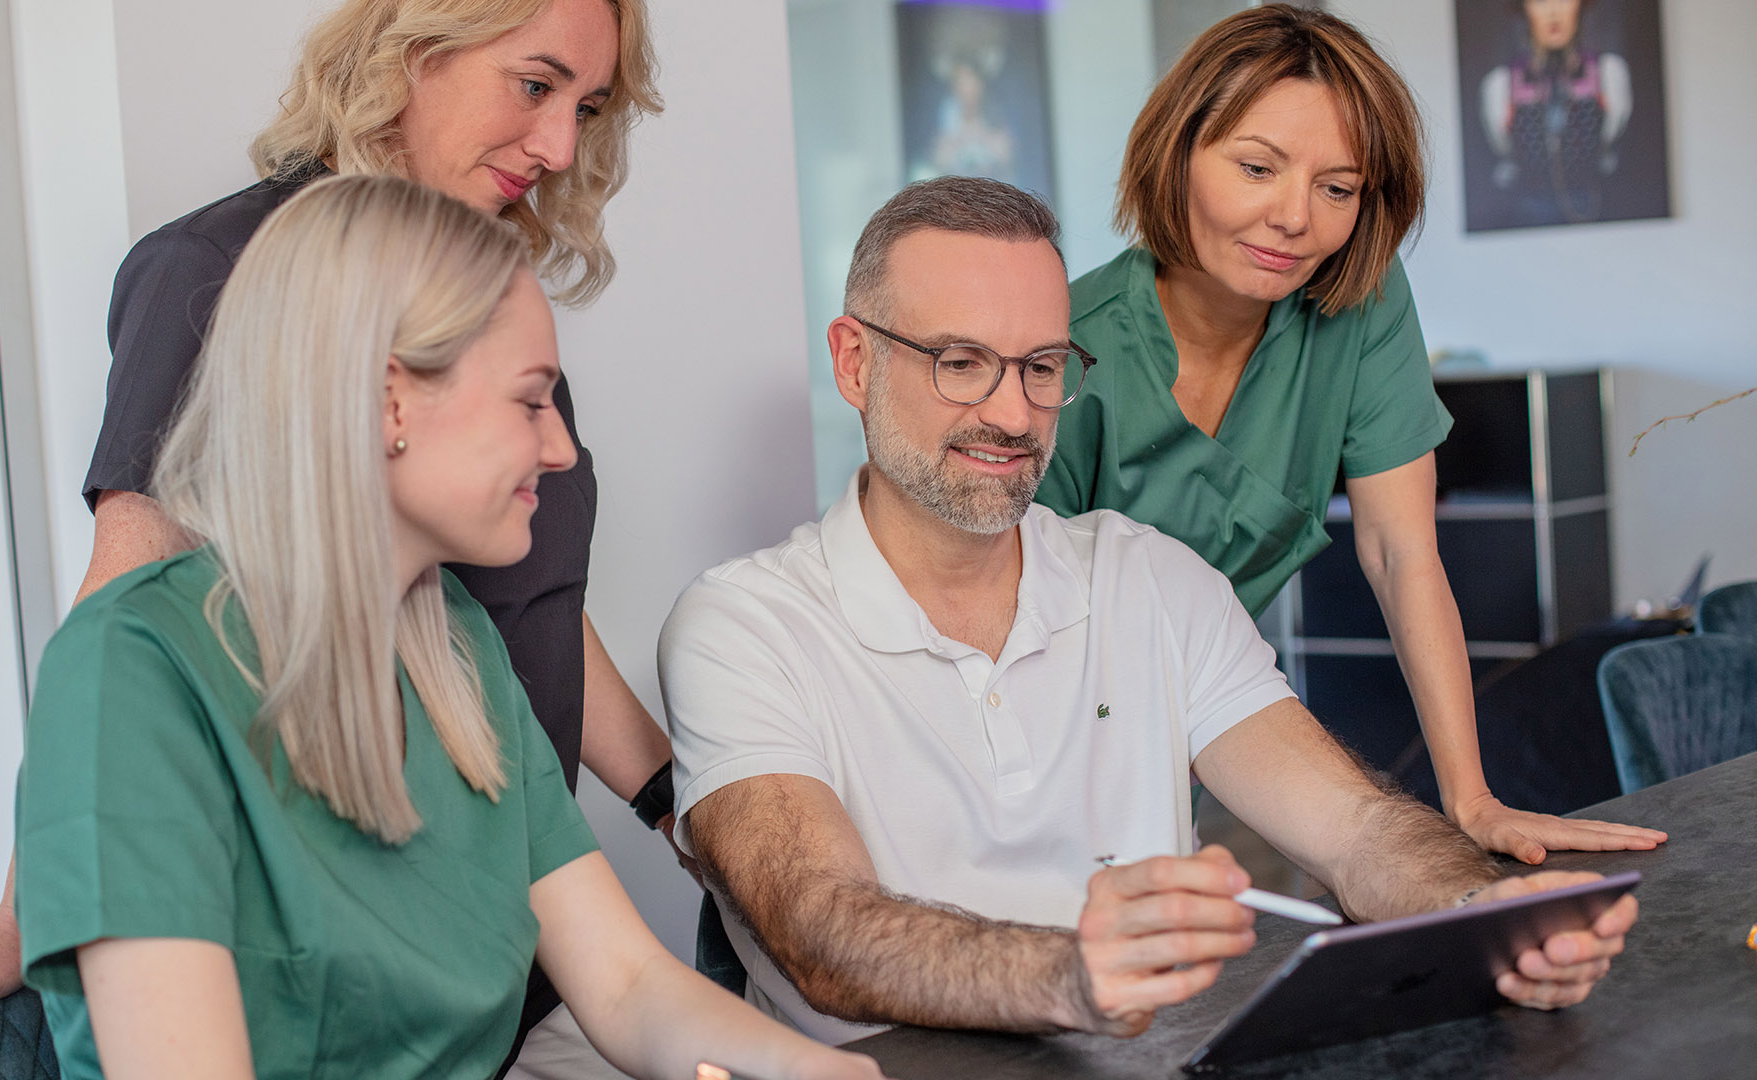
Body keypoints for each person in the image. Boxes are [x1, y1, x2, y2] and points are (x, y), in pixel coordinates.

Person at [0, 1, 686, 1071]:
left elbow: (534, 609)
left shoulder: (474, 298)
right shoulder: (222, 271)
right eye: (535, 86)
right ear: (409, 53)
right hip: (332, 971)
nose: (562, 145)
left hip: (498, 936)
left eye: (589, 106)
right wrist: (36, 913)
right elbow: (120, 616)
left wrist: (674, 801)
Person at [660, 176, 1637, 1045]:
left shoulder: (1149, 581)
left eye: (1042, 367)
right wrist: (1070, 974)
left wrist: (1491, 912)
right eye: (961, 362)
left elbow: (1360, 833)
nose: (1012, 415)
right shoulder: (744, 626)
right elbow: (821, 928)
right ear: (855, 362)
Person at [9, 174, 881, 1080]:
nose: (562, 450)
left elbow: (628, 986)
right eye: (530, 400)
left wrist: (827, 1074)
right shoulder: (134, 671)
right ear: (390, 402)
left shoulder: (457, 652)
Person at [1033, 4, 1663, 865]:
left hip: (1183, 739)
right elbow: (1008, 613)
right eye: (1258, 167)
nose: (1298, 219)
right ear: (1177, 152)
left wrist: (1470, 800)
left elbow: (1402, 555)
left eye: (1338, 187)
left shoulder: (1357, 304)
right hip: (1031, 734)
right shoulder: (1064, 343)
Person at [1479, 0, 1632, 224]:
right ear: (1524, 9)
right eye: (1540, 2)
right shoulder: (1501, 85)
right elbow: (1504, 153)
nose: (1553, 12)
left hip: (1598, 212)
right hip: (1527, 219)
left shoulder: (1607, 73)